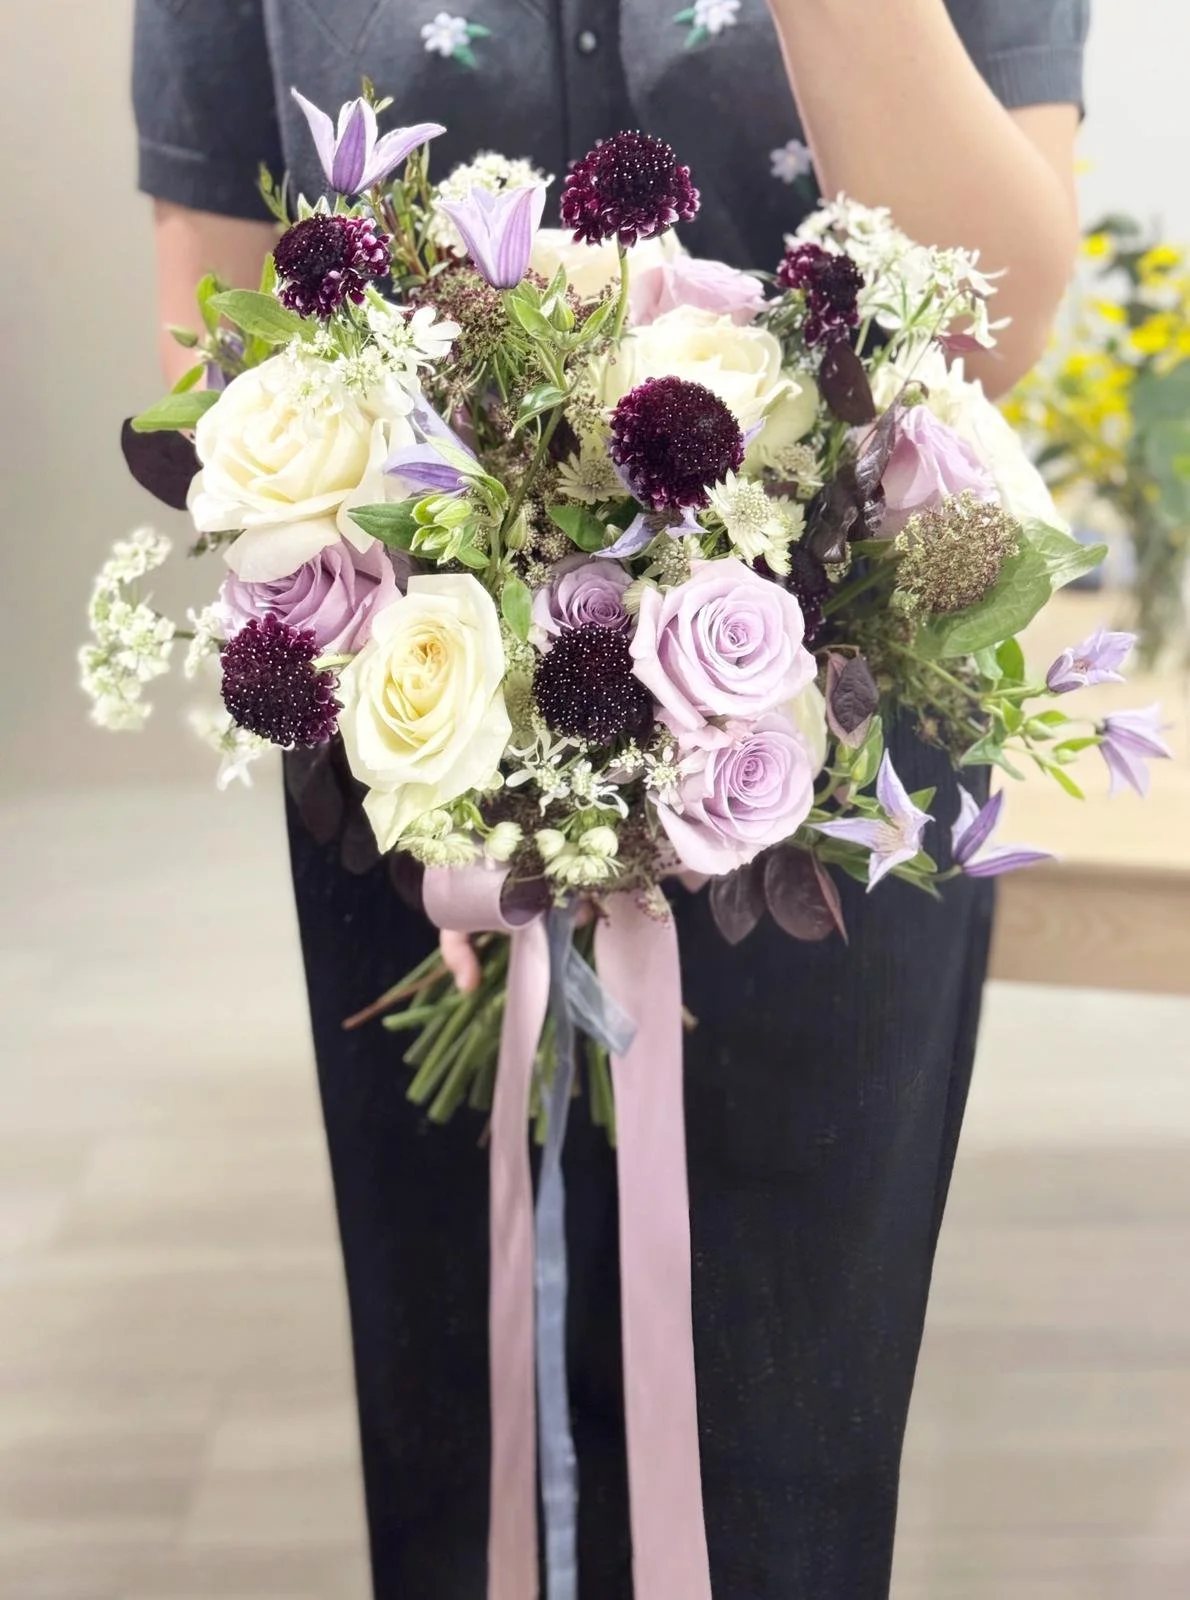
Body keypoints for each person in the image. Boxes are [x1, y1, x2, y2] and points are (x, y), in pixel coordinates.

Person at [133, 3, 1088, 1595]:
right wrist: (443, 700)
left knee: (785, 1423)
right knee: (459, 1414)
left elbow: (984, 333)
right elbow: (220, 362)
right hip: (414, 736)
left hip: (828, 758)